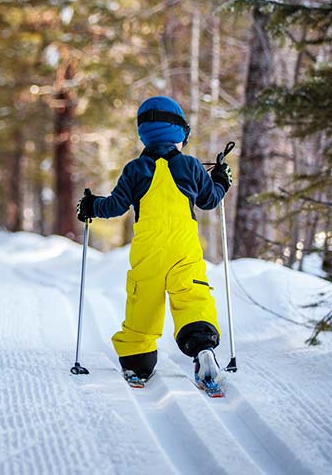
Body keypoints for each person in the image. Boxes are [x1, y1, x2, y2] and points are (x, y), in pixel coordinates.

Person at [75, 95, 232, 392]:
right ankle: (202, 348)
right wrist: (222, 180)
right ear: (180, 133)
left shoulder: (136, 169)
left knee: (143, 302)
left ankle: (138, 361)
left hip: (148, 250)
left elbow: (114, 206)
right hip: (184, 248)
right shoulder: (190, 166)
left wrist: (91, 205)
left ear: (143, 134)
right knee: (192, 297)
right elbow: (209, 200)